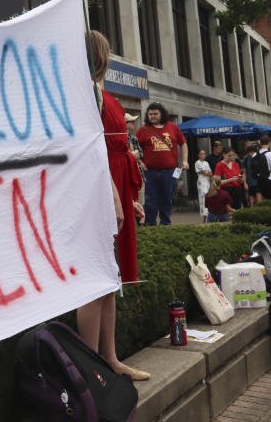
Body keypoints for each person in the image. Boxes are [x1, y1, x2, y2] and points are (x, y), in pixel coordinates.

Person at [77, 31, 149, 382]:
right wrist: (115, 196)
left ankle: (109, 358)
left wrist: (128, 195)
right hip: (100, 187)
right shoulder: (86, 96)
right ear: (101, 55)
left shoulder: (100, 95)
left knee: (109, 278)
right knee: (96, 278)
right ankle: (92, 367)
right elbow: (92, 151)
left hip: (115, 184)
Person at [135, 102, 188, 225]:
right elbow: (133, 147)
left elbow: (183, 143)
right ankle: (150, 224)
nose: (152, 116)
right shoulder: (143, 130)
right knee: (150, 200)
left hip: (169, 172)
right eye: (150, 114)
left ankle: (165, 223)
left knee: (167, 199)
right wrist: (141, 162)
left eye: (155, 114)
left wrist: (184, 160)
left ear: (162, 114)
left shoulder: (172, 127)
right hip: (150, 172)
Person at [194, 149, 212, 222]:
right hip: (201, 182)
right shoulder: (197, 163)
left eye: (204, 154)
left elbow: (210, 173)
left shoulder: (206, 163)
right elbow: (204, 173)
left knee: (209, 198)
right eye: (201, 154)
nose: (203, 155)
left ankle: (209, 216)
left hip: (207, 182)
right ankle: (205, 217)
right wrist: (207, 172)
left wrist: (207, 172)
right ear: (198, 155)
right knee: (203, 199)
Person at [241, 143, 261, 207]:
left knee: (258, 199)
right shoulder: (246, 160)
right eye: (249, 152)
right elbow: (244, 172)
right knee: (250, 199)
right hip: (250, 182)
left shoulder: (259, 158)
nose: (250, 154)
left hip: (258, 182)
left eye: (252, 152)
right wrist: (245, 183)